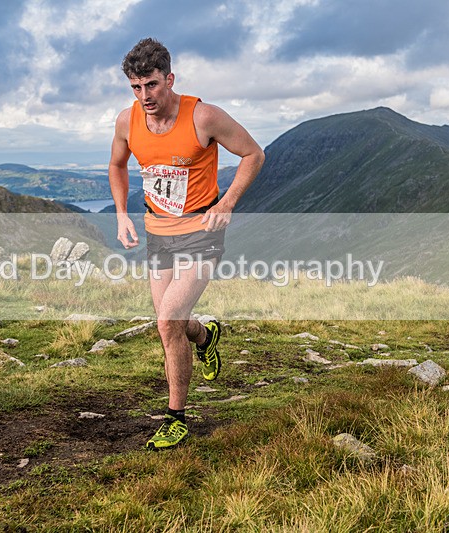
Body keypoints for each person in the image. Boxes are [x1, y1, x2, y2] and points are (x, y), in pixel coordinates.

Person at [108, 38, 265, 450]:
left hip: (202, 232)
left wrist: (228, 202)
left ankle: (175, 417)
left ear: (170, 78)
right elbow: (117, 164)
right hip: (158, 233)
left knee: (167, 321)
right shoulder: (128, 121)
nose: (145, 97)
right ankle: (205, 335)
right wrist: (122, 213)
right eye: (136, 88)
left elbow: (253, 154)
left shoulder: (204, 116)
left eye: (153, 85)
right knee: (172, 325)